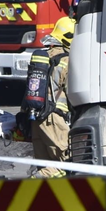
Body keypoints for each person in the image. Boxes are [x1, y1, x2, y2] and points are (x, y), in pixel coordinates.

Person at [21, 16, 75, 178]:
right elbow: (72, 92)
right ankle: (23, 189)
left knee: (44, 166)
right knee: (62, 166)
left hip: (37, 120)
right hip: (54, 120)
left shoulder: (43, 58)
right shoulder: (66, 60)